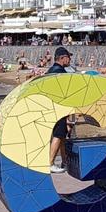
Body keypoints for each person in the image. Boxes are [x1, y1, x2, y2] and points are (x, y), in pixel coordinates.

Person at [37, 46, 74, 174]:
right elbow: (66, 93)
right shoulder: (61, 73)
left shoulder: (51, 71)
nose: (70, 60)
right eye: (68, 57)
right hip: (58, 109)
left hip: (50, 108)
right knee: (58, 135)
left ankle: (65, 162)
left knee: (61, 135)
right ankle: (50, 163)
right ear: (62, 58)